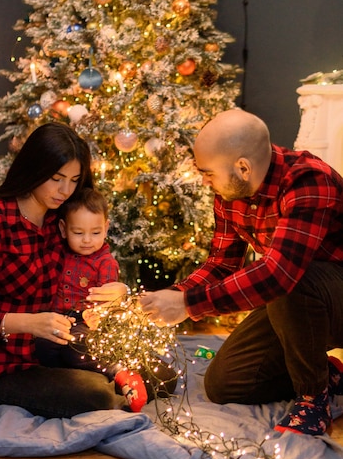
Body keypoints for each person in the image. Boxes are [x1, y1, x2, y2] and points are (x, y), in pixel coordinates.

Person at [140, 108, 343, 436]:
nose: (204, 181)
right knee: (225, 385)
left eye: (208, 172)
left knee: (291, 279)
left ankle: (313, 399)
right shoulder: (229, 193)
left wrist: (191, 305)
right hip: (295, 302)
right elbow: (221, 264)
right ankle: (330, 374)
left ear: (243, 167)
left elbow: (280, 274)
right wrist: (174, 296)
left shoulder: (308, 181)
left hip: (328, 293)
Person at [0, 123, 128, 419]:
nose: (65, 190)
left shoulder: (60, 219)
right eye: (56, 178)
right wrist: (29, 324)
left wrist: (118, 289)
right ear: (34, 168)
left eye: (73, 180)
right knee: (97, 393)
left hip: (57, 349)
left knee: (159, 374)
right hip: (2, 369)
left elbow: (92, 261)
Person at [35, 187, 148, 412]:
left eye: (95, 233)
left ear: (106, 228)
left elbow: (108, 301)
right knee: (42, 347)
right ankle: (74, 380)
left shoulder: (105, 263)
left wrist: (98, 314)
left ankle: (120, 372)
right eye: (78, 233)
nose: (87, 240)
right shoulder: (60, 253)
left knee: (76, 348)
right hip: (57, 319)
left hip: (87, 324)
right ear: (64, 230)